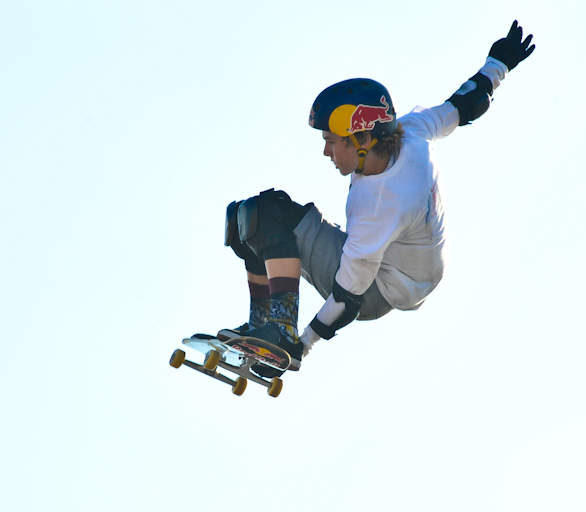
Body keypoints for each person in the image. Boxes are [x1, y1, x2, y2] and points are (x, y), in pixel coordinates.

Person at [220, 21, 535, 378]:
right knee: (241, 220)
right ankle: (262, 323)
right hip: (398, 265)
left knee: (264, 216)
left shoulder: (381, 207)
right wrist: (499, 63)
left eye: (331, 140)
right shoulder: (412, 131)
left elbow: (346, 298)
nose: (326, 151)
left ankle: (281, 333)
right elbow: (465, 104)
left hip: (377, 290)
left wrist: (301, 346)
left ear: (362, 140)